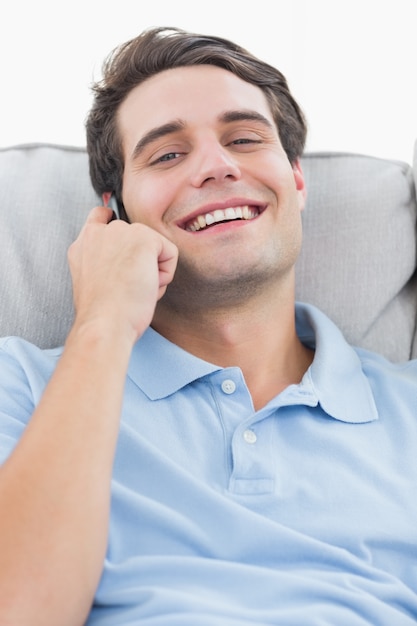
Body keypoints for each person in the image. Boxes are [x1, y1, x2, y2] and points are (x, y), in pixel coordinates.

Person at [0, 25, 417, 626]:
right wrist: (102, 323)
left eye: (245, 138)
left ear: (297, 181)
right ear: (115, 213)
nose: (217, 167)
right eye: (167, 154)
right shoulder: (23, 388)